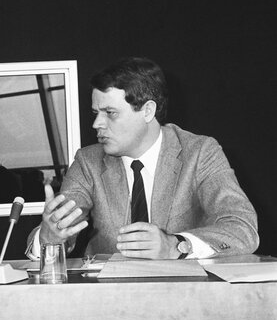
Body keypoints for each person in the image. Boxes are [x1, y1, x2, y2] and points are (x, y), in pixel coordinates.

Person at [26, 57, 258, 260]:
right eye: (96, 113)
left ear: (147, 111)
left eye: (111, 113)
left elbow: (242, 229)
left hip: (187, 297)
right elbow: (63, 224)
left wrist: (176, 245)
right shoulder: (88, 162)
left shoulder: (200, 152)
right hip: (107, 300)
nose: (97, 124)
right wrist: (49, 236)